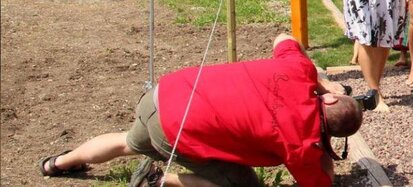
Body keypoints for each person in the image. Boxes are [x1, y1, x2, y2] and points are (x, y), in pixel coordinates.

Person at [38, 33, 362, 186]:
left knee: (125, 142)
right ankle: (161, 179)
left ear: (331, 100)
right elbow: (321, 184)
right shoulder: (303, 146)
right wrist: (324, 156)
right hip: (176, 128)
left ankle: (57, 163)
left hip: (163, 95)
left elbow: (284, 37)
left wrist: (323, 84)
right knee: (245, 186)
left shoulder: (299, 70)